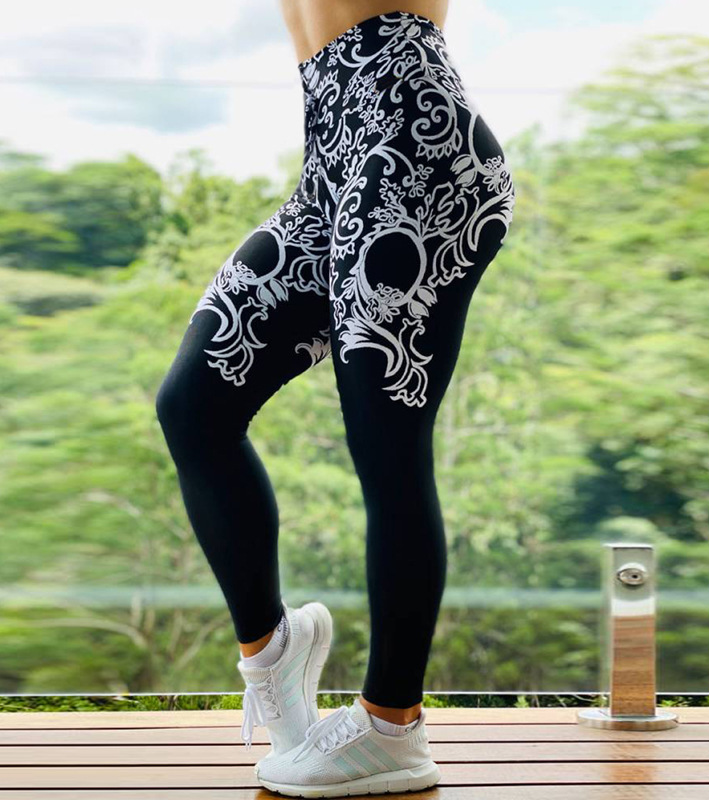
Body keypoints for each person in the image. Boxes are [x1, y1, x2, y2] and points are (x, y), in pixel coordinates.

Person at [155, 1, 515, 794]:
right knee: (194, 407)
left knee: (388, 447)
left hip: (414, 147)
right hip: (332, 156)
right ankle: (274, 654)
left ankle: (392, 727)